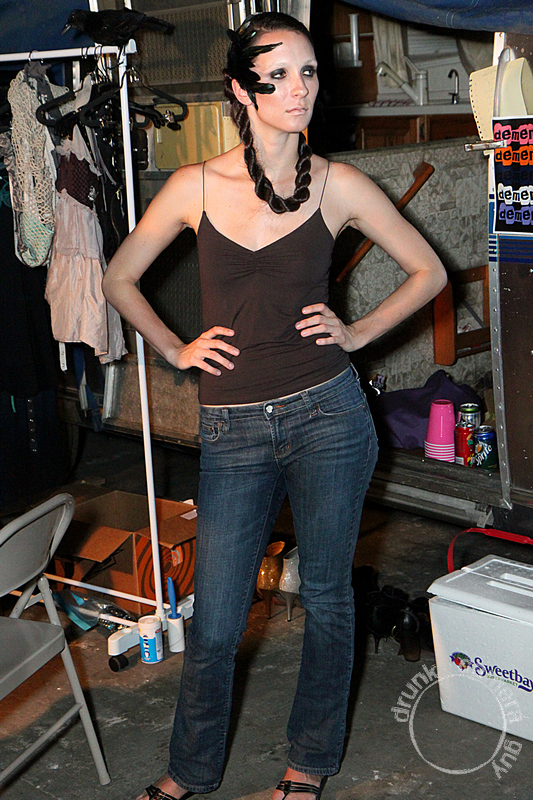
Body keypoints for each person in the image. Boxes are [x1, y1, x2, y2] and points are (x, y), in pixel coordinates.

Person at [103, 12, 447, 800]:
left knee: (326, 599)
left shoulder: (337, 183)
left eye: (309, 72)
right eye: (279, 75)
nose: (299, 90)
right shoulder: (195, 186)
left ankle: (305, 769)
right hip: (232, 430)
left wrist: (356, 332)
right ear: (240, 90)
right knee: (218, 622)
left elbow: (428, 271)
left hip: (328, 418)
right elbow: (119, 277)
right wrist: (174, 348)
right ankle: (187, 773)